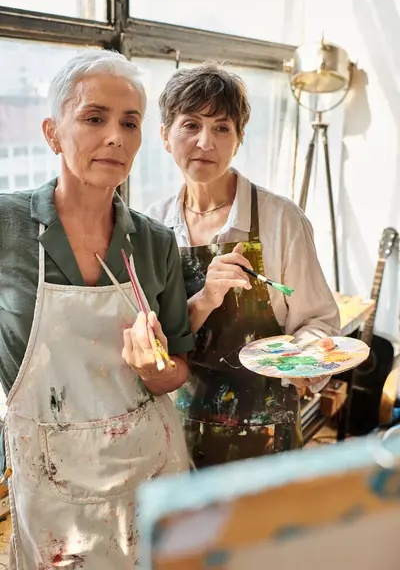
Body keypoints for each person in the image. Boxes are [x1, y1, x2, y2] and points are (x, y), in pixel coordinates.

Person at [0, 49, 194, 569]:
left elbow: (178, 367)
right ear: (52, 132)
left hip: (150, 472)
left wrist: (156, 372)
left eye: (129, 123)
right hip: (53, 491)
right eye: (93, 118)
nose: (115, 136)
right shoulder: (7, 227)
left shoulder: (153, 242)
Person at [146, 63, 340, 468]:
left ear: (238, 140)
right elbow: (154, 342)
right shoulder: (154, 225)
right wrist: (204, 298)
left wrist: (304, 364)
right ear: (165, 136)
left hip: (267, 432)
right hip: (179, 427)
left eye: (222, 128)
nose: (205, 141)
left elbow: (319, 322)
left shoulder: (281, 219)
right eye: (191, 125)